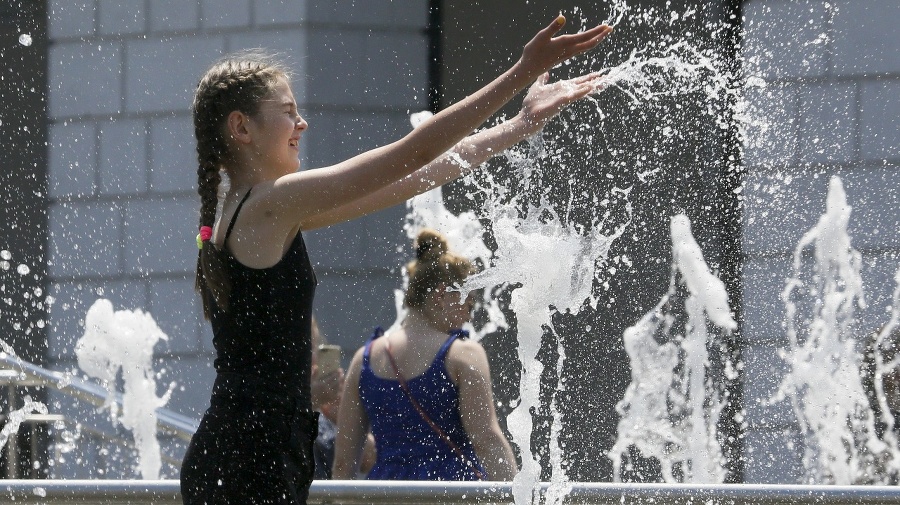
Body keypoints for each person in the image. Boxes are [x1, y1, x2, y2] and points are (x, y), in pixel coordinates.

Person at [180, 15, 613, 504]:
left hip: (254, 450)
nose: (302, 122)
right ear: (241, 128)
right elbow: (411, 151)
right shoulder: (268, 204)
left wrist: (519, 124)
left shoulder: (262, 210)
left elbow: (416, 175)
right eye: (287, 111)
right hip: (249, 457)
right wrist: (520, 73)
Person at [331, 229, 515, 480]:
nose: (468, 316)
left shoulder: (363, 359)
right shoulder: (463, 355)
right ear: (441, 294)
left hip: (387, 495)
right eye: (467, 303)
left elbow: (342, 465)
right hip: (449, 493)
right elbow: (486, 440)